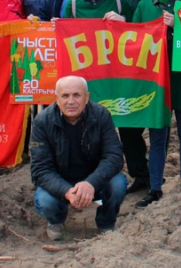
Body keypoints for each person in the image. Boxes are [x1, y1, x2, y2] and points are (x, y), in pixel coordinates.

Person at [131, 0, 181, 206]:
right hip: (155, 80)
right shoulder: (144, 6)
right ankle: (155, 187)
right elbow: (134, 41)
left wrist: (176, 27)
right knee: (157, 134)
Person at [30, 75, 127, 240]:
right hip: (60, 180)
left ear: (86, 97)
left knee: (118, 184)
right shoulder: (42, 122)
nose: (71, 101)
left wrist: (91, 183)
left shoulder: (101, 115)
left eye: (77, 95)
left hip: (94, 178)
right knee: (45, 200)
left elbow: (114, 156)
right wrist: (66, 191)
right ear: (57, 99)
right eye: (65, 96)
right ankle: (56, 221)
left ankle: (106, 223)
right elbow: (40, 169)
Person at [118, 0, 155, 194]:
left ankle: (159, 176)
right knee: (128, 124)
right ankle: (140, 175)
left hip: (157, 66)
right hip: (130, 69)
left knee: (157, 122)